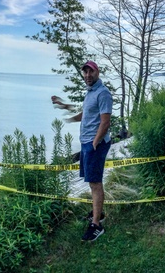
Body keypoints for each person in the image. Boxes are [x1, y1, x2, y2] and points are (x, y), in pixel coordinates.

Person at [51, 60, 112, 242]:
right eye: (85, 73)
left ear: (97, 72)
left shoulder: (103, 93)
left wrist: (95, 142)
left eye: (90, 72)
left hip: (95, 144)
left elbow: (105, 121)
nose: (87, 75)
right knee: (91, 181)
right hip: (87, 143)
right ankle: (97, 213)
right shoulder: (90, 92)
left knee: (95, 183)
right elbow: (87, 114)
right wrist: (69, 116)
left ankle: (96, 226)